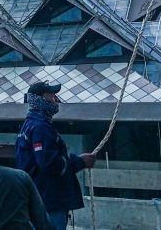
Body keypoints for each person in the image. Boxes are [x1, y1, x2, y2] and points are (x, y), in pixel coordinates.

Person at [15, 82, 96, 230]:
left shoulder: (29, 125)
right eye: (52, 96)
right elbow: (49, 164)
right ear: (40, 99)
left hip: (38, 199)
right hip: (48, 201)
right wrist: (80, 162)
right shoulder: (40, 127)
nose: (56, 100)